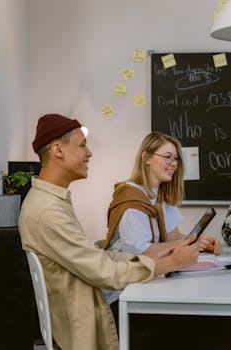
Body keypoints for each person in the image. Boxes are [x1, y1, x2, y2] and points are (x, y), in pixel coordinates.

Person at [18, 114, 198, 350]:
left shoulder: (52, 201)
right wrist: (168, 263)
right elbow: (102, 271)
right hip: (90, 320)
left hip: (89, 307)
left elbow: (93, 258)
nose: (89, 153)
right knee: (195, 328)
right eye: (82, 145)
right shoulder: (47, 210)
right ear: (58, 150)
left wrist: (154, 259)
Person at [102, 131, 222, 304]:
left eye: (176, 158)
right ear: (147, 157)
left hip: (147, 282)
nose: (173, 163)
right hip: (122, 292)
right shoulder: (131, 199)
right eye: (167, 157)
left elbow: (174, 237)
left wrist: (201, 243)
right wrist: (190, 244)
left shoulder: (160, 195)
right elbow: (140, 252)